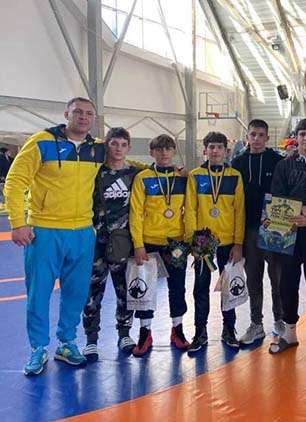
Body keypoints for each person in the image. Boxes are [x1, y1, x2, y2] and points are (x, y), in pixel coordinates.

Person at [4, 97, 104, 375]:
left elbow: (122, 161)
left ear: (93, 118)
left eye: (89, 113)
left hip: (82, 232)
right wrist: (18, 223)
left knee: (76, 293)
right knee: (39, 293)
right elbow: (15, 182)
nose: (83, 117)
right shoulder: (41, 142)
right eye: (78, 112)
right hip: (45, 231)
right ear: (66, 114)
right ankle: (38, 348)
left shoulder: (97, 149)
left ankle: (67, 342)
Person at [268, 118, 306, 354]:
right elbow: (277, 195)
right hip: (288, 233)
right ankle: (290, 333)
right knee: (287, 282)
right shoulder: (284, 166)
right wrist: (302, 212)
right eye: (302, 134)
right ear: (296, 137)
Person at [82, 128, 140, 361]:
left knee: (125, 289)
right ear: (106, 145)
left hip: (123, 242)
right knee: (92, 291)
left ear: (129, 147)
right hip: (96, 241)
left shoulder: (135, 174)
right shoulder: (94, 173)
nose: (118, 149)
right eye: (114, 144)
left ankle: (124, 333)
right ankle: (91, 339)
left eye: (123, 144)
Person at [129, 134, 189, 357]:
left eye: (168, 149)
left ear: (173, 151)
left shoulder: (183, 177)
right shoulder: (143, 178)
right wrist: (138, 244)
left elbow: (192, 209)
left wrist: (189, 239)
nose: (164, 153)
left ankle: (178, 329)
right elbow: (135, 213)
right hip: (149, 242)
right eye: (159, 149)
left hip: (177, 242)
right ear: (151, 152)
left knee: (178, 287)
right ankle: (145, 333)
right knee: (144, 288)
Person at [185, 131, 245, 351]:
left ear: (226, 151)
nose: (215, 151)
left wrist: (238, 243)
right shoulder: (195, 175)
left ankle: (229, 330)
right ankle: (200, 332)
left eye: (219, 147)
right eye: (211, 147)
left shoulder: (235, 176)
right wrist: (193, 240)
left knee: (229, 287)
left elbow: (240, 211)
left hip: (228, 242)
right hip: (203, 242)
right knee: (200, 288)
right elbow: (190, 209)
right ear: (205, 150)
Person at [232, 120, 284, 344]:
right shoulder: (238, 162)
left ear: (267, 138)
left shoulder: (278, 161)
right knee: (254, 279)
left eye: (261, 135)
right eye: (252, 134)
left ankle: (280, 320)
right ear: (247, 136)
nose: (256, 139)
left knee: (277, 278)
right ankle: (256, 324)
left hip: (274, 230)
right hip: (249, 229)